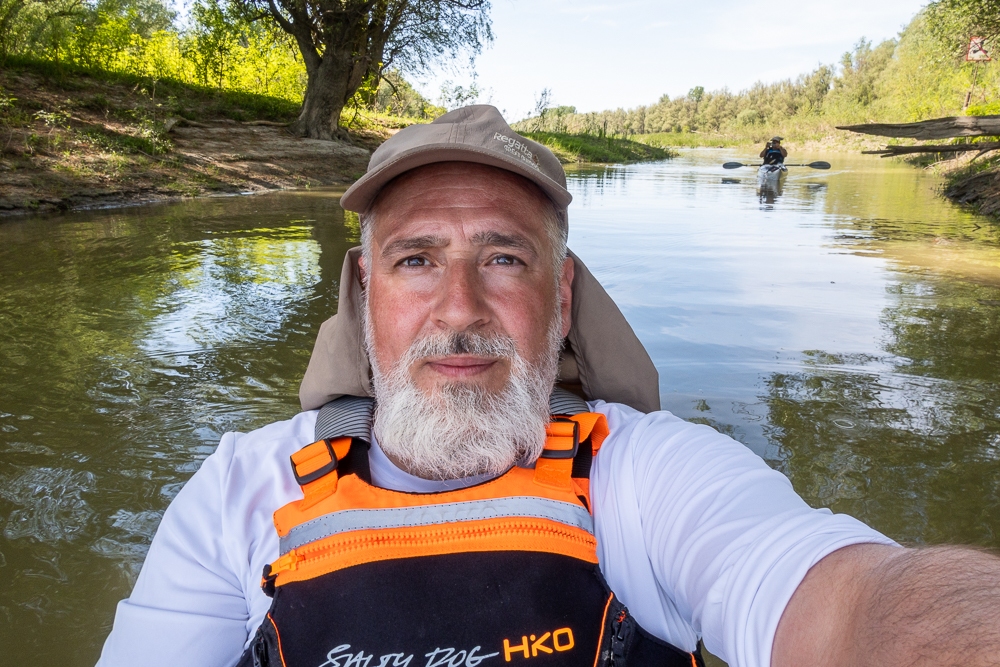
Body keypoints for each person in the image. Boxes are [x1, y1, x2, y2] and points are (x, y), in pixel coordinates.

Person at [96, 106, 1000, 667]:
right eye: (416, 260)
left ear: (561, 298)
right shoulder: (237, 490)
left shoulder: (644, 476)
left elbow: (852, 605)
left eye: (503, 257)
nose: (460, 308)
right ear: (365, 295)